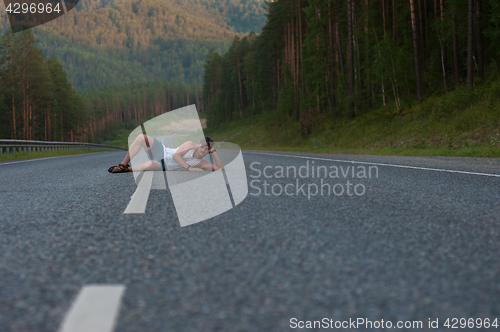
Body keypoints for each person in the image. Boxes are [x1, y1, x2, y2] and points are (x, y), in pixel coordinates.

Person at [108, 135, 224, 173]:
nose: (203, 150)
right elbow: (176, 156)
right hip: (162, 151)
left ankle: (128, 169)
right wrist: (189, 168)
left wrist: (213, 151)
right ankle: (123, 164)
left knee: (151, 164)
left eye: (206, 149)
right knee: (141, 137)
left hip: (164, 165)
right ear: (198, 144)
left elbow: (220, 168)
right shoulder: (190, 145)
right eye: (202, 147)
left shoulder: (201, 163)